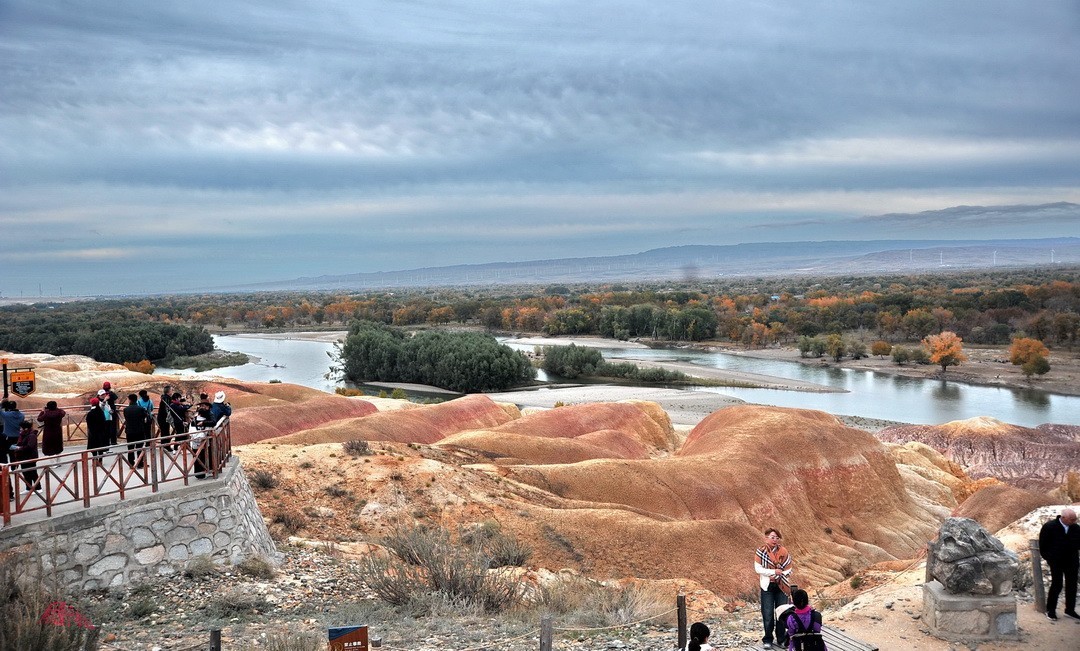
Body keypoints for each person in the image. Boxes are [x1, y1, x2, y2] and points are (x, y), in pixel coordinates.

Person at [1039, 507, 1080, 621]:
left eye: (1075, 519)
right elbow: (1043, 545)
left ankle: (1070, 610)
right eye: (1072, 519)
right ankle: (1051, 610)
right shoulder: (1050, 527)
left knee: (1072, 585)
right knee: (1057, 585)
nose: (1074, 521)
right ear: (1063, 518)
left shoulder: (1076, 528)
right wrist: (1050, 558)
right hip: (1056, 561)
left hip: (1072, 561)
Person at [755, 527, 793, 648]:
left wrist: (779, 574)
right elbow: (758, 569)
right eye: (772, 537)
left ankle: (781, 639)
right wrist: (773, 573)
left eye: (777, 537)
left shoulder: (783, 551)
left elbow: (789, 568)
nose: (775, 540)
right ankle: (768, 639)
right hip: (767, 586)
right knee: (768, 613)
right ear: (766, 538)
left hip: (781, 585)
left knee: (782, 612)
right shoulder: (760, 552)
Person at [10, 420, 40, 494]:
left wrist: (19, 448)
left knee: (33, 472)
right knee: (25, 473)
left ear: (25, 428)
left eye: (21, 428)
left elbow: (30, 446)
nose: (20, 429)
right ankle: (28, 487)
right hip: (23, 456)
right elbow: (21, 443)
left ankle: (38, 488)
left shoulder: (32, 435)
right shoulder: (23, 434)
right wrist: (16, 446)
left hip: (30, 456)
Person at [122, 394, 149, 469]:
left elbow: (126, 418)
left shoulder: (126, 410)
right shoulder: (141, 409)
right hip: (139, 430)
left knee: (130, 448)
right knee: (139, 447)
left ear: (129, 399)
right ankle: (140, 463)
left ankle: (131, 463)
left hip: (130, 431)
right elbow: (145, 416)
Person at [1, 400, 26, 464]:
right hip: (18, 436)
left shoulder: (6, 415)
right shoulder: (22, 415)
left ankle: (8, 469)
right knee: (15, 452)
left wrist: (2, 403)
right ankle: (14, 467)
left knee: (6, 453)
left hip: (8, 437)